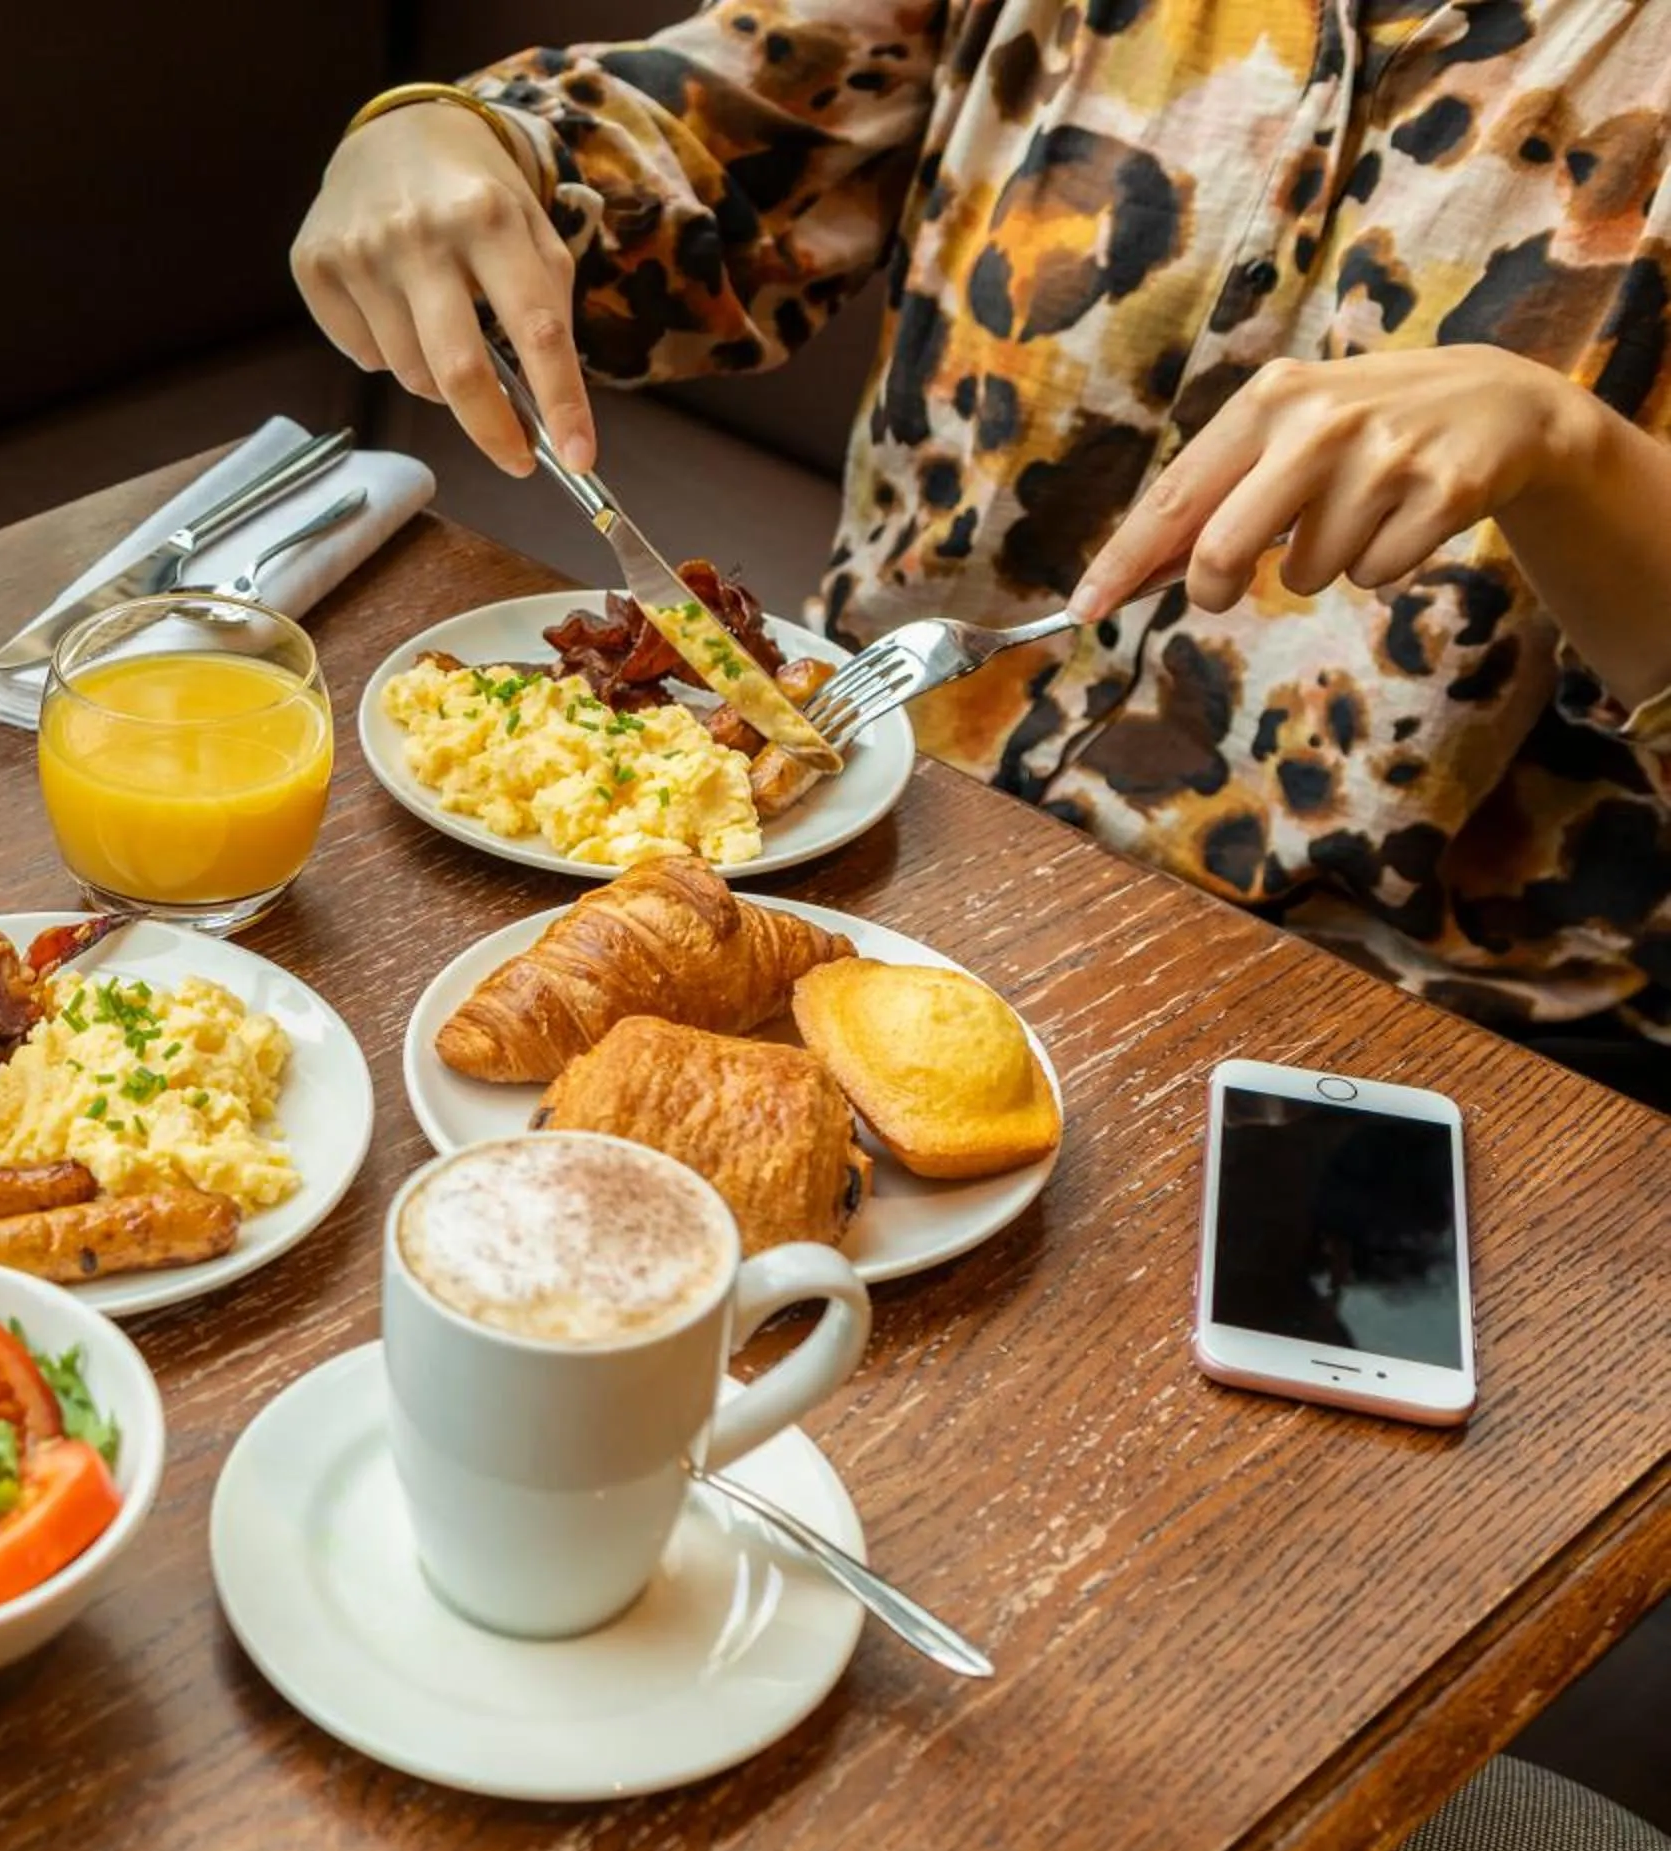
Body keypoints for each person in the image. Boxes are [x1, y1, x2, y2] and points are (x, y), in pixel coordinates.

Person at [294, 3, 1671, 1109]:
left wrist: (1580, 458)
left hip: (1399, 1042)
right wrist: (450, 137)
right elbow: (716, 129)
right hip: (867, 836)